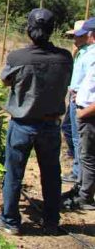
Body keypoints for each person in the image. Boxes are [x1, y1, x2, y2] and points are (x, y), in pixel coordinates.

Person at [0, 8, 72, 236]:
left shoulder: (18, 57)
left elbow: (5, 81)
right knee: (51, 174)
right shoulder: (65, 58)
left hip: (23, 124)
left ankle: (10, 220)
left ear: (28, 29)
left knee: (14, 173)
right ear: (52, 30)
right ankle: (51, 221)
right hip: (51, 125)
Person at [64, 17, 95, 211]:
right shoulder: (86, 52)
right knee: (84, 152)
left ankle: (85, 197)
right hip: (82, 105)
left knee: (88, 155)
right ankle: (80, 188)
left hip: (88, 111)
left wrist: (84, 112)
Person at [61, 20, 88, 184]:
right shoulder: (81, 52)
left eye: (76, 36)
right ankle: (76, 162)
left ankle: (78, 172)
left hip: (80, 98)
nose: (74, 40)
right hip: (74, 96)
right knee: (67, 128)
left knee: (78, 136)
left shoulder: (90, 53)